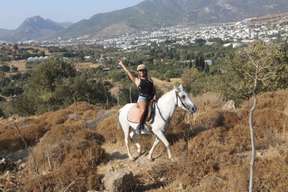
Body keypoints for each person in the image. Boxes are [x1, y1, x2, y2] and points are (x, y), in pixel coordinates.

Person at [118, 59, 156, 134]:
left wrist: (155, 96)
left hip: (151, 99)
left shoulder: (150, 80)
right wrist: (122, 65)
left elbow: (154, 90)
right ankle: (140, 126)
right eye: (140, 71)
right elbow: (128, 72)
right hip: (143, 99)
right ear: (138, 72)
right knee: (144, 110)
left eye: (143, 70)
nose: (142, 72)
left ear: (146, 71)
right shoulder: (137, 80)